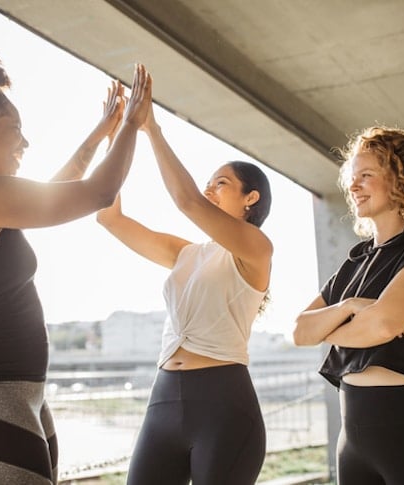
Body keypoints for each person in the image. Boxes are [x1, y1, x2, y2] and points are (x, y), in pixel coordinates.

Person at [0, 42, 151, 485]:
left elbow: (58, 188)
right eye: (16, 128)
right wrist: (132, 123)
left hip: (19, 391)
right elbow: (97, 193)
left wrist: (101, 133)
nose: (25, 141)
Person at [96, 101, 273, 485]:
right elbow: (109, 217)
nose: (209, 189)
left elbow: (186, 200)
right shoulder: (186, 253)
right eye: (208, 182)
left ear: (251, 198)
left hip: (223, 408)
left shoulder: (256, 249)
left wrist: (151, 129)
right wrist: (119, 137)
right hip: (162, 401)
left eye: (220, 183)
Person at [292, 126, 404, 484]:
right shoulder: (355, 262)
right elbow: (300, 331)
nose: (353, 187)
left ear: (401, 178)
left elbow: (382, 327)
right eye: (352, 178)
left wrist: (340, 326)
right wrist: (350, 306)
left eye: (366, 176)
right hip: (354, 438)